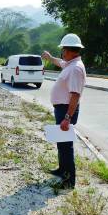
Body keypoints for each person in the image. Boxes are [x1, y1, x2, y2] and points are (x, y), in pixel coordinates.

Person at [41, 33, 86, 189]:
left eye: (63, 50)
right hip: (61, 109)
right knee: (62, 143)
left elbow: (75, 95)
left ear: (70, 50)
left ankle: (69, 182)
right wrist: (49, 57)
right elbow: (59, 62)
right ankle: (62, 171)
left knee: (66, 146)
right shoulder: (70, 64)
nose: (62, 53)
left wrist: (67, 117)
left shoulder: (75, 69)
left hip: (66, 111)